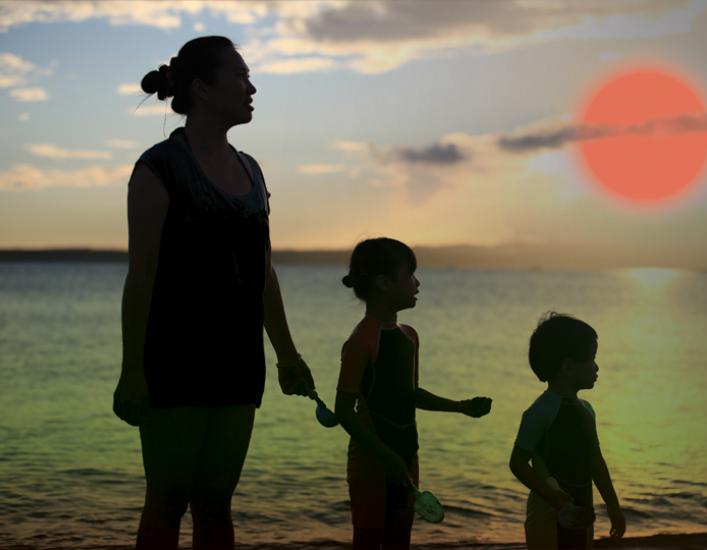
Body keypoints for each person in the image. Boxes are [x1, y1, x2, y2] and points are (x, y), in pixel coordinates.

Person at [111, 36, 317, 549]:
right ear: (202, 88)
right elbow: (142, 276)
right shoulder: (158, 168)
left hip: (238, 361)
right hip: (175, 358)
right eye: (241, 76)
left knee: (216, 504)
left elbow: (264, 273)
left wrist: (288, 355)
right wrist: (131, 371)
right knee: (167, 500)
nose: (252, 87)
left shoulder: (252, 170)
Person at [334, 237, 492, 549]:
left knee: (399, 538)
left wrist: (461, 407)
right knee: (367, 537)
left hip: (407, 454)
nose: (417, 283)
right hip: (371, 461)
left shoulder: (410, 336)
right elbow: (342, 411)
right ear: (384, 283)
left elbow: (412, 394)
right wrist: (383, 454)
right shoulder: (361, 340)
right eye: (410, 275)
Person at [509, 313, 626, 549]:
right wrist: (553, 497)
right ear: (569, 367)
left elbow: (595, 462)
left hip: (582, 508)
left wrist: (613, 506)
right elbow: (518, 463)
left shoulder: (586, 411)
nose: (596, 366)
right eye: (591, 359)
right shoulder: (540, 412)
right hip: (547, 512)